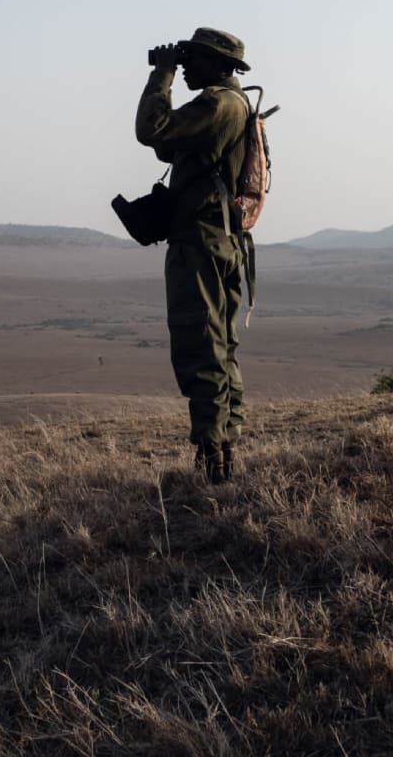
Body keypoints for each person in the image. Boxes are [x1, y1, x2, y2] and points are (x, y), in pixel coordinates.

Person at [136, 27, 253, 483]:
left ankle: (212, 459)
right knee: (220, 347)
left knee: (200, 345)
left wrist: (161, 77)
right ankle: (223, 451)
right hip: (220, 239)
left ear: (219, 65)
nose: (185, 67)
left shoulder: (218, 103)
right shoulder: (231, 104)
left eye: (193, 59)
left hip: (201, 242)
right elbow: (168, 145)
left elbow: (150, 130)